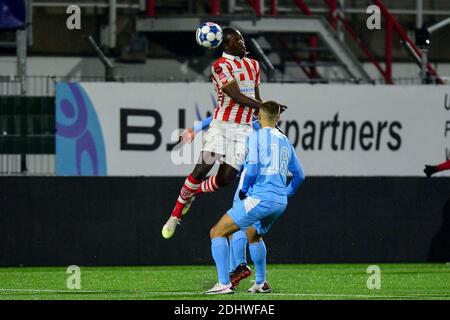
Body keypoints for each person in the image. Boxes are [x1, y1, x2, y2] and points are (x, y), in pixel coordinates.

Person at [162, 27, 264, 241]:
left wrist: (264, 116)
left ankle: (191, 195)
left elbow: (255, 99)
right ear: (226, 45)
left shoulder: (254, 65)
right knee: (202, 169)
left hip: (243, 130)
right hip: (221, 126)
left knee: (226, 179)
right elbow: (237, 97)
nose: (242, 42)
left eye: (242, 39)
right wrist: (266, 107)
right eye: (237, 40)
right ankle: (175, 214)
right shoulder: (219, 67)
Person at [204, 101, 305, 294]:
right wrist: (286, 192)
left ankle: (223, 283)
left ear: (259, 115)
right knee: (253, 234)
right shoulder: (285, 141)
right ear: (279, 118)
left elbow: (251, 170)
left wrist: (244, 190)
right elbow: (300, 175)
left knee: (217, 232)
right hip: (280, 202)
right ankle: (261, 282)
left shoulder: (256, 137)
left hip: (260, 198)